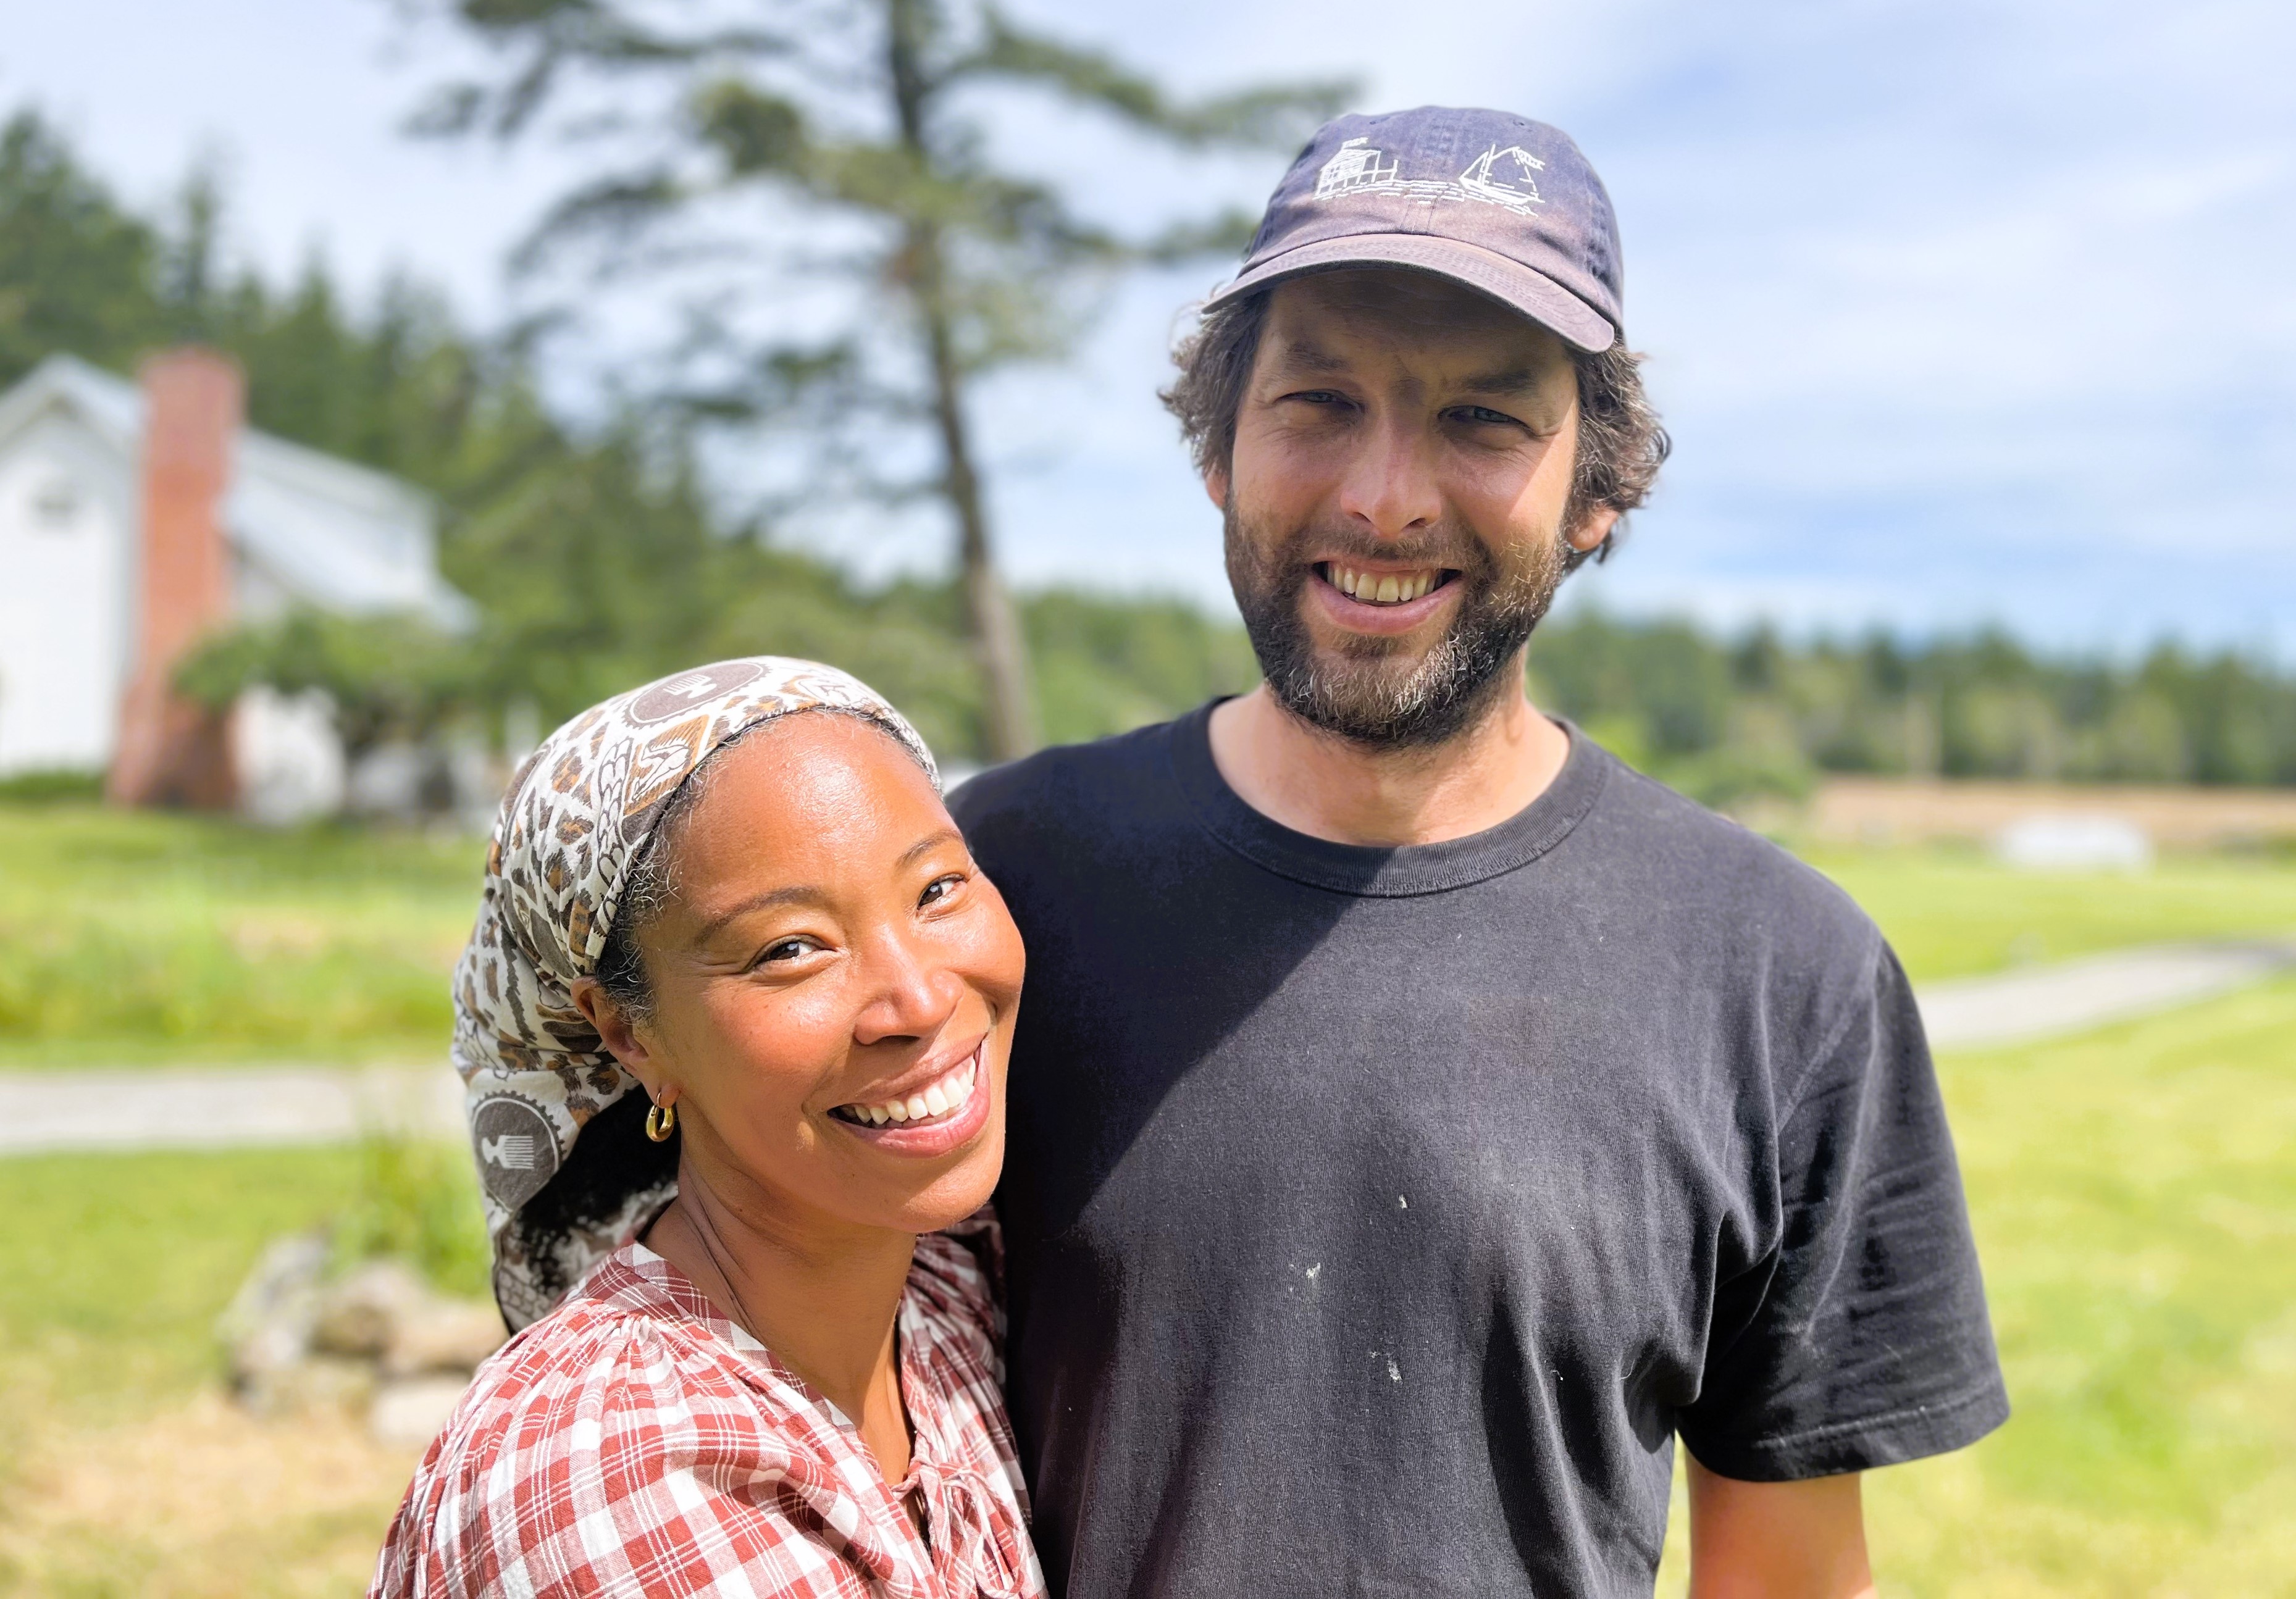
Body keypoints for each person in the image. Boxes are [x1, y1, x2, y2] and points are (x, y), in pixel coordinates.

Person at [949, 108, 2008, 1598]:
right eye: (1317, 398)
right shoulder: (992, 887)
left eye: (1482, 419)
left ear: (1596, 492)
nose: (1384, 495)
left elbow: (1785, 1575)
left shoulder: (1783, 975)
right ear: (1217, 448)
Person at [374, 658, 1045, 1599]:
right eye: (790, 948)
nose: (920, 998)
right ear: (630, 1034)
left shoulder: (944, 1300)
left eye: (936, 888)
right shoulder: (612, 1474)